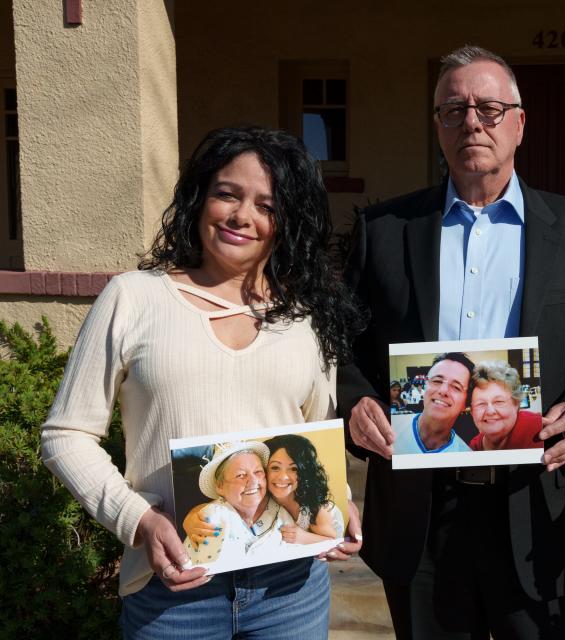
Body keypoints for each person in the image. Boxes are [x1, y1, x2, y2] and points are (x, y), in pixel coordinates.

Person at [338, 45, 565, 638]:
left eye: (490, 109)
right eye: (454, 109)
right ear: (437, 126)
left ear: (520, 124)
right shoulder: (384, 232)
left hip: (536, 506)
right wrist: (354, 403)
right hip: (422, 510)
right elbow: (340, 347)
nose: (472, 122)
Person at [40, 126, 366, 639]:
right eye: (226, 194)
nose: (242, 216)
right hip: (174, 592)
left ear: (288, 222)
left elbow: (314, 432)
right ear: (198, 198)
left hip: (291, 590)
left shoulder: (304, 316)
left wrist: (334, 495)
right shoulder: (133, 299)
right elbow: (65, 435)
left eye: (267, 205)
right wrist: (139, 521)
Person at [183, 441, 295, 566]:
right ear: (220, 486)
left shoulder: (281, 513)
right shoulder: (215, 515)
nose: (253, 481)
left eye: (258, 472)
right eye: (240, 475)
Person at [393, 352, 475, 455]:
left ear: (465, 404)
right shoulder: (390, 427)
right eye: (437, 381)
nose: (443, 390)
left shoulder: (465, 455)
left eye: (456, 387)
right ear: (425, 385)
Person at [468, 360, 541, 451]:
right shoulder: (473, 448)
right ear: (472, 412)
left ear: (516, 404)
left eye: (499, 402)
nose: (490, 411)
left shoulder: (538, 430)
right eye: (481, 404)